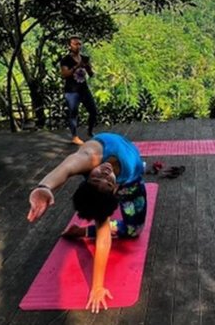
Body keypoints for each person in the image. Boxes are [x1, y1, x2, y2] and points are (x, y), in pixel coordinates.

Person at [26, 132, 146, 313]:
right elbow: (105, 240)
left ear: (86, 177)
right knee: (122, 226)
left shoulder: (91, 157)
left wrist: (44, 187)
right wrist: (97, 287)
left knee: (132, 229)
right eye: (107, 183)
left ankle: (83, 231)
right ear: (113, 191)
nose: (105, 174)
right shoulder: (111, 188)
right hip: (128, 183)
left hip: (131, 177)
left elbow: (67, 166)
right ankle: (85, 231)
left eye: (96, 178)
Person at [59, 36, 97, 145]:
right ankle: (75, 137)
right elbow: (65, 74)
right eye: (75, 44)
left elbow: (91, 74)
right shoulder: (65, 60)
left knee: (93, 111)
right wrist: (76, 66)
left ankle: (90, 131)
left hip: (84, 89)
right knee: (73, 114)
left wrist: (88, 68)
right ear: (69, 46)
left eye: (80, 44)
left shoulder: (85, 58)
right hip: (71, 91)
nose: (78, 46)